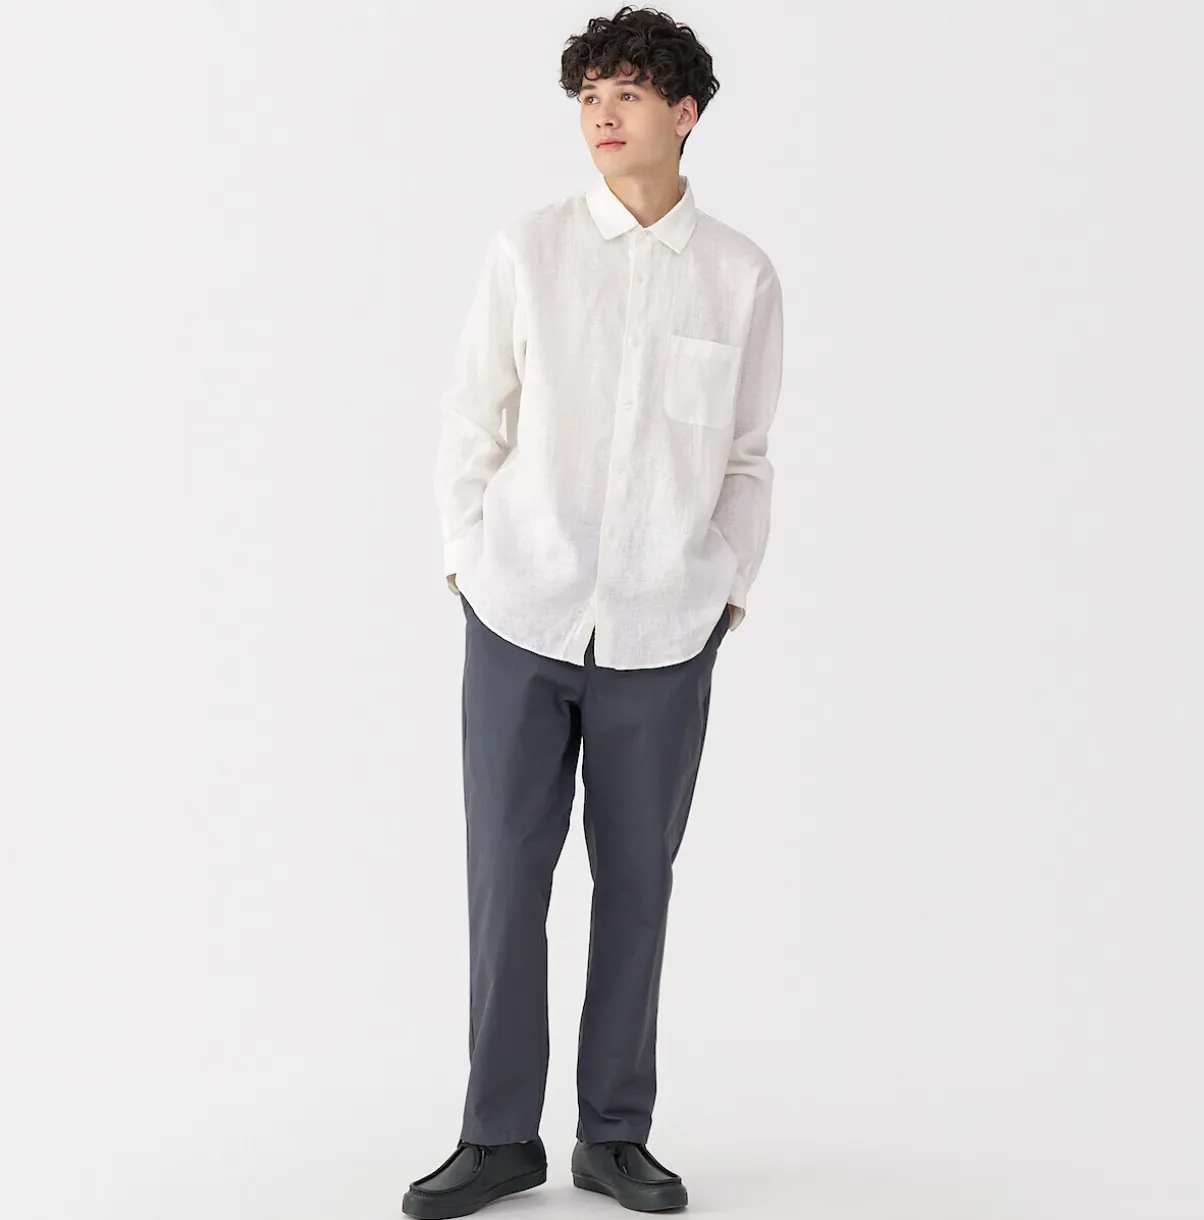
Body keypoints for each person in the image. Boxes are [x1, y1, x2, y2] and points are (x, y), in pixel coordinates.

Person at [403, 6, 783, 1216]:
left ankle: (614, 1135)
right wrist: (466, 562)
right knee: (505, 879)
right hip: (519, 614)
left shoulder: (739, 276)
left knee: (636, 882)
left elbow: (747, 457)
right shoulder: (529, 250)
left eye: (627, 93)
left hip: (663, 633)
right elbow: (471, 415)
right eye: (587, 96)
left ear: (684, 113)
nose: (602, 115)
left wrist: (719, 589)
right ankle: (495, 1135)